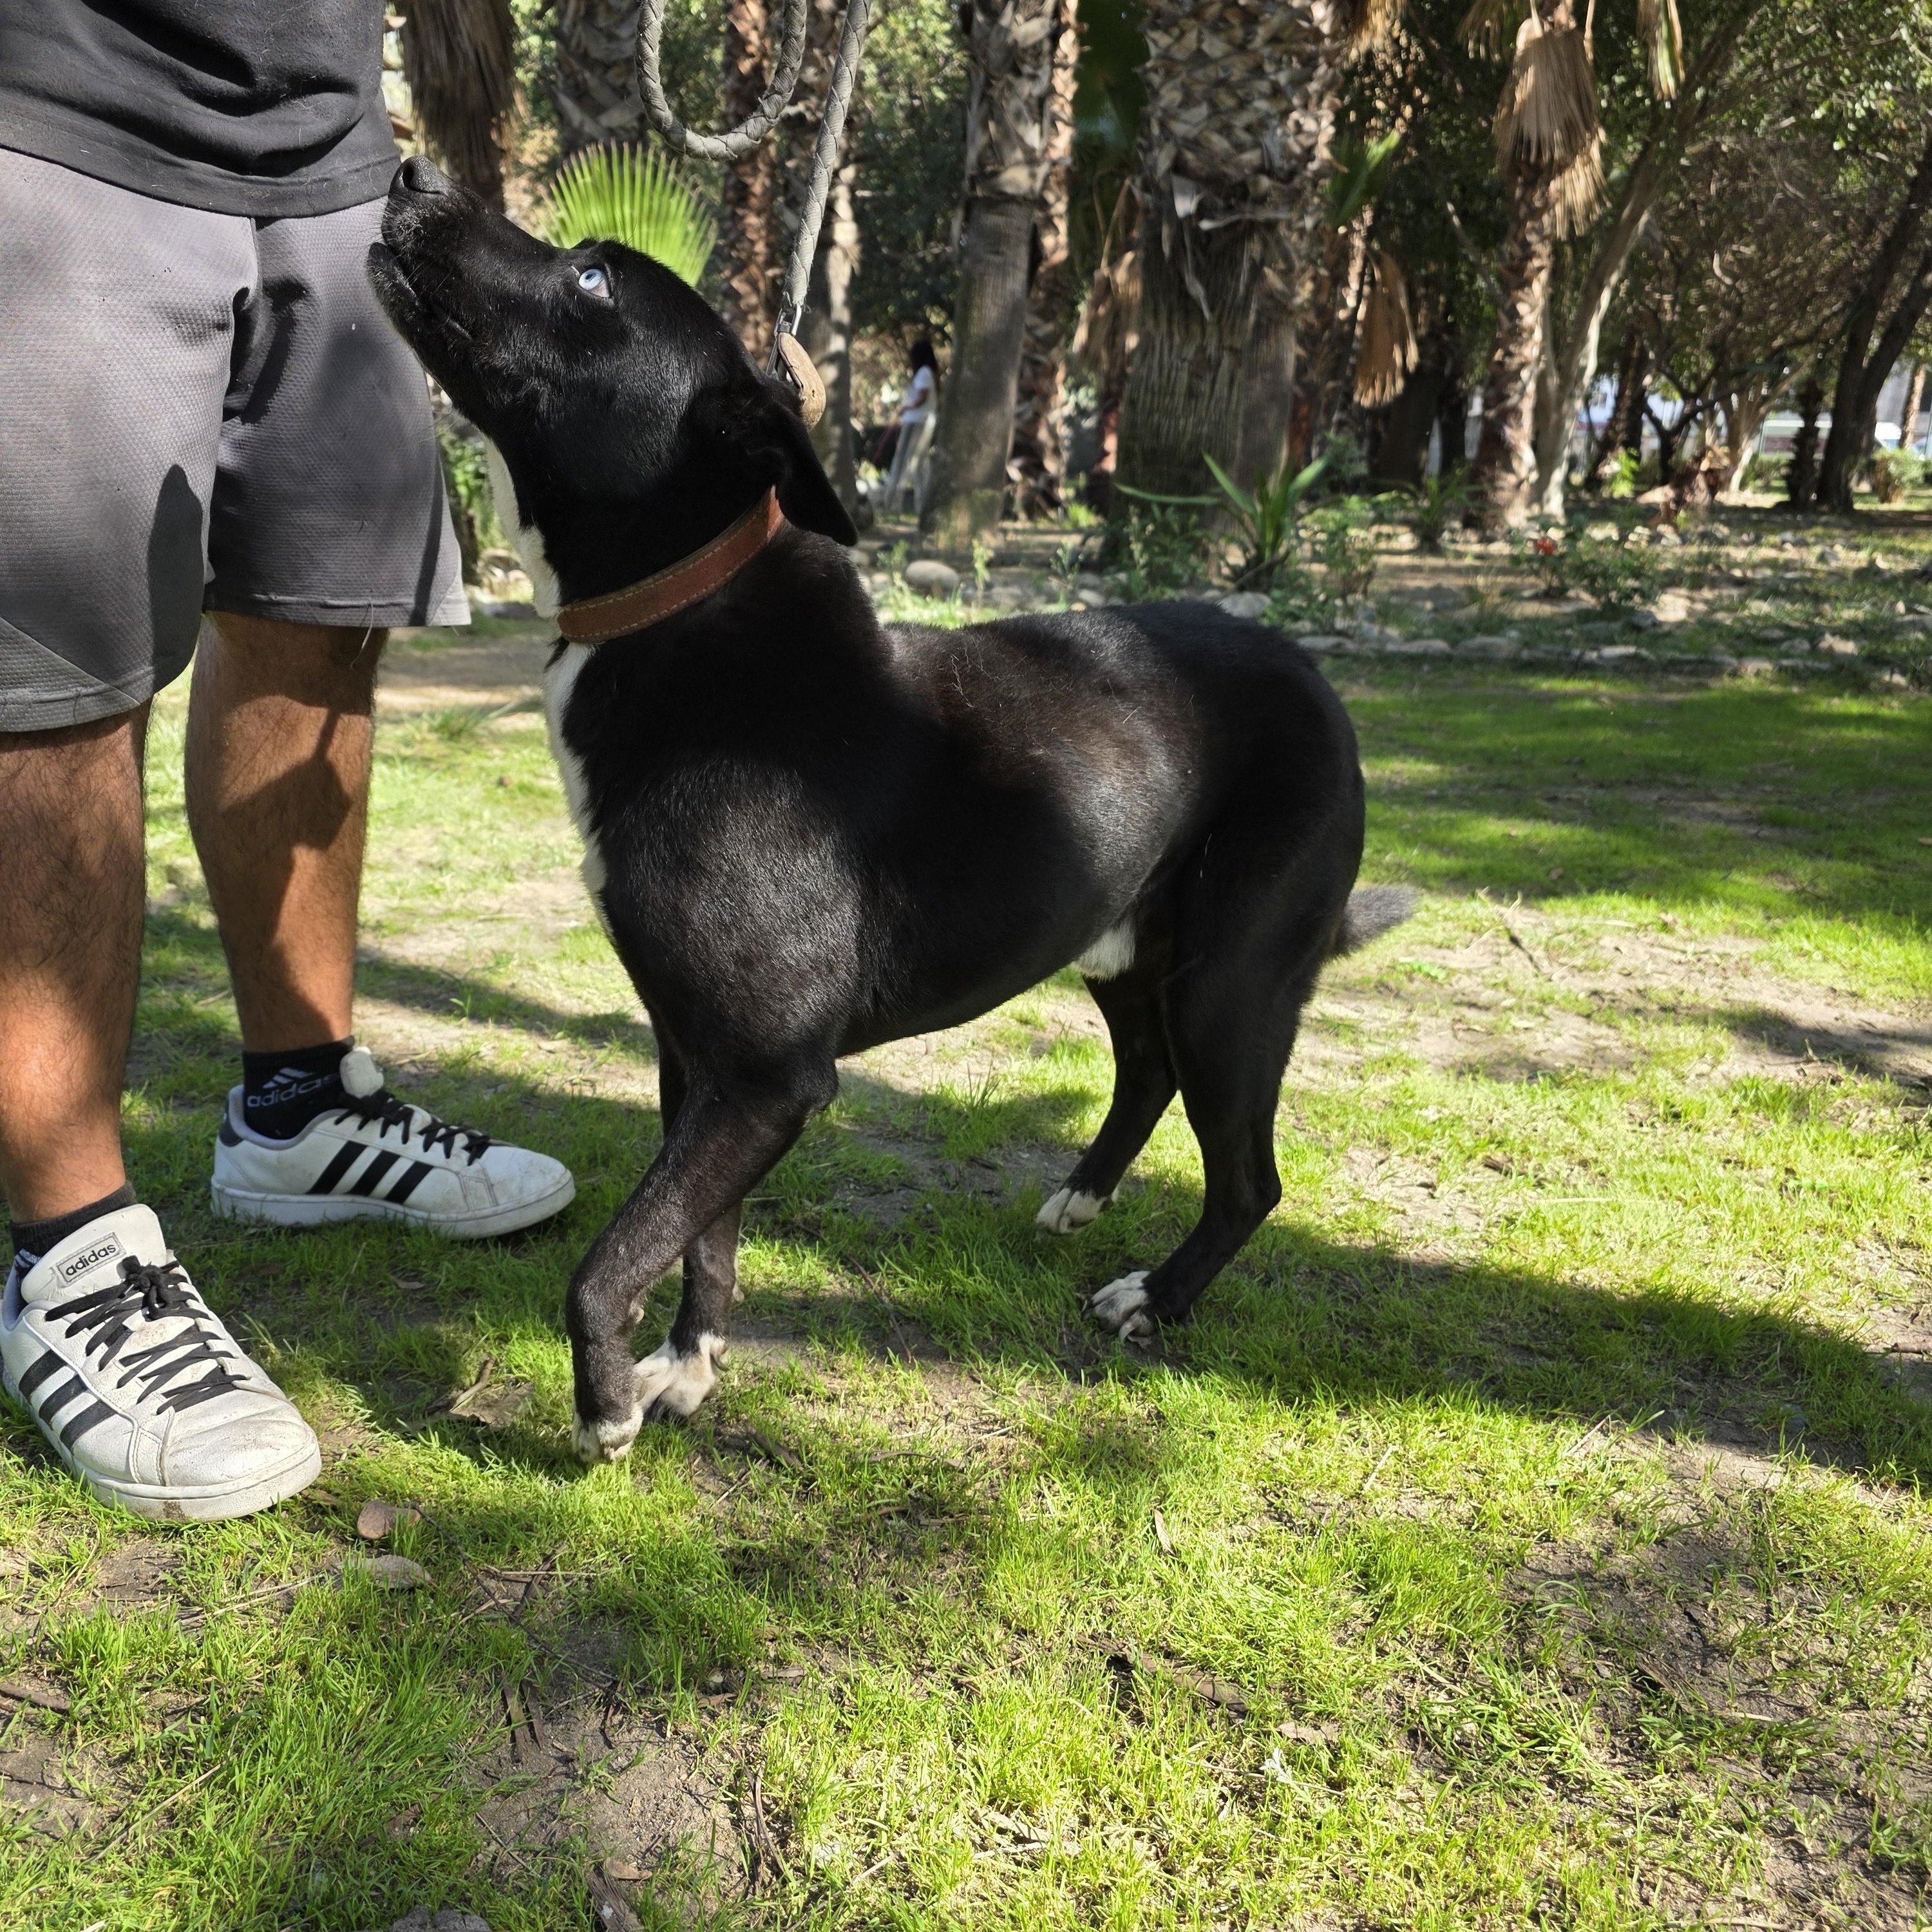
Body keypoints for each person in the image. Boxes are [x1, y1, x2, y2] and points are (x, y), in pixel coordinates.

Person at [0, 2, 576, 1524]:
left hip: (321, 145)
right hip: (58, 107)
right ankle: (72, 1247)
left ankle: (297, 1109)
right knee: (54, 681)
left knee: (323, 609)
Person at [882, 339, 940, 516]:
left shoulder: (923, 373)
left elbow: (922, 397)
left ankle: (892, 504)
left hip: (917, 422)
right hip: (923, 421)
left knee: (904, 462)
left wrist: (905, 407)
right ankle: (924, 507)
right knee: (922, 466)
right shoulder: (929, 372)